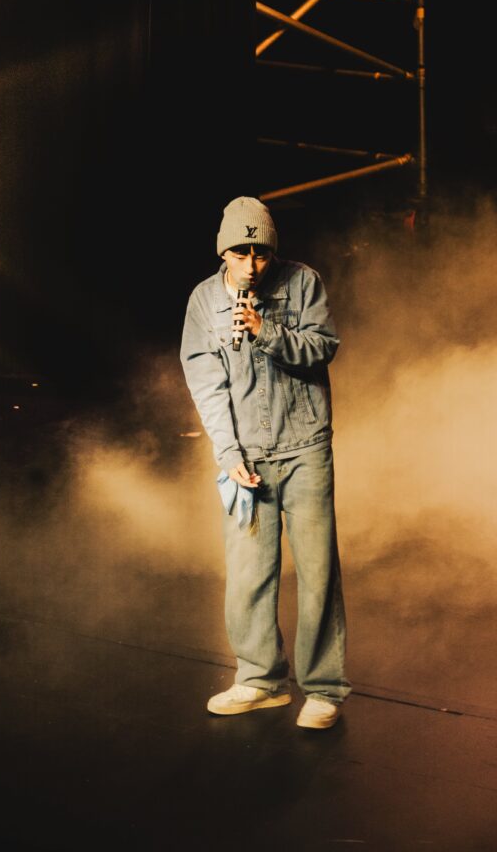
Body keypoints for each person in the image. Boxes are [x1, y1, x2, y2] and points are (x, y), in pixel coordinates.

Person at [180, 195, 350, 729]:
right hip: (247, 456)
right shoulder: (204, 300)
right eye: (240, 253)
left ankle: (323, 689)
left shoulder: (302, 283)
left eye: (260, 253)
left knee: (317, 571)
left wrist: (265, 331)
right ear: (222, 252)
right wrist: (228, 452)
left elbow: (323, 347)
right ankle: (260, 681)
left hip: (304, 448)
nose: (252, 265)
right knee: (249, 574)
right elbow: (206, 383)